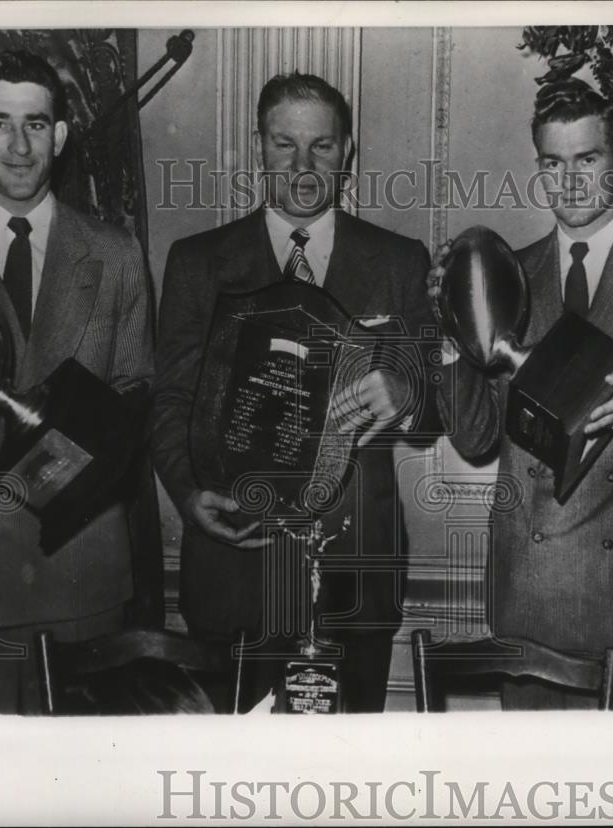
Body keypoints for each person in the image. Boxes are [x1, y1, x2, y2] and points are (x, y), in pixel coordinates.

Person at [151, 72, 435, 713]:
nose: (303, 167)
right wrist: (188, 493)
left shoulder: (399, 261)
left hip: (354, 575)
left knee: (349, 783)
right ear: (259, 146)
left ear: (349, 152)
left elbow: (429, 411)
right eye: (285, 145)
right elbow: (168, 400)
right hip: (234, 564)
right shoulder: (198, 262)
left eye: (323, 147)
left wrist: (408, 384)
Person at [0, 50, 154, 714]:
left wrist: (50, 476)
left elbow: (137, 399)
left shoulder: (116, 252)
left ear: (60, 136)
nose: (18, 145)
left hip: (83, 572)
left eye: (36, 124)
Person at [431, 78, 613, 709]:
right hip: (530, 599)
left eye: (587, 160)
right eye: (551, 163)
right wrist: (452, 333)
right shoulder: (506, 277)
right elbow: (476, 437)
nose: (567, 181)